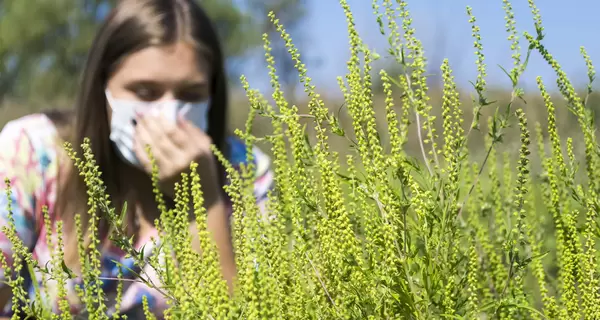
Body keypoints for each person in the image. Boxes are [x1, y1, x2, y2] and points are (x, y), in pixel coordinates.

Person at [0, 0, 274, 318]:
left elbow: (241, 309)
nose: (168, 114)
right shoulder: (32, 153)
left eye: (190, 95)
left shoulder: (244, 172)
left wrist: (204, 198)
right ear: (102, 87)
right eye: (145, 92)